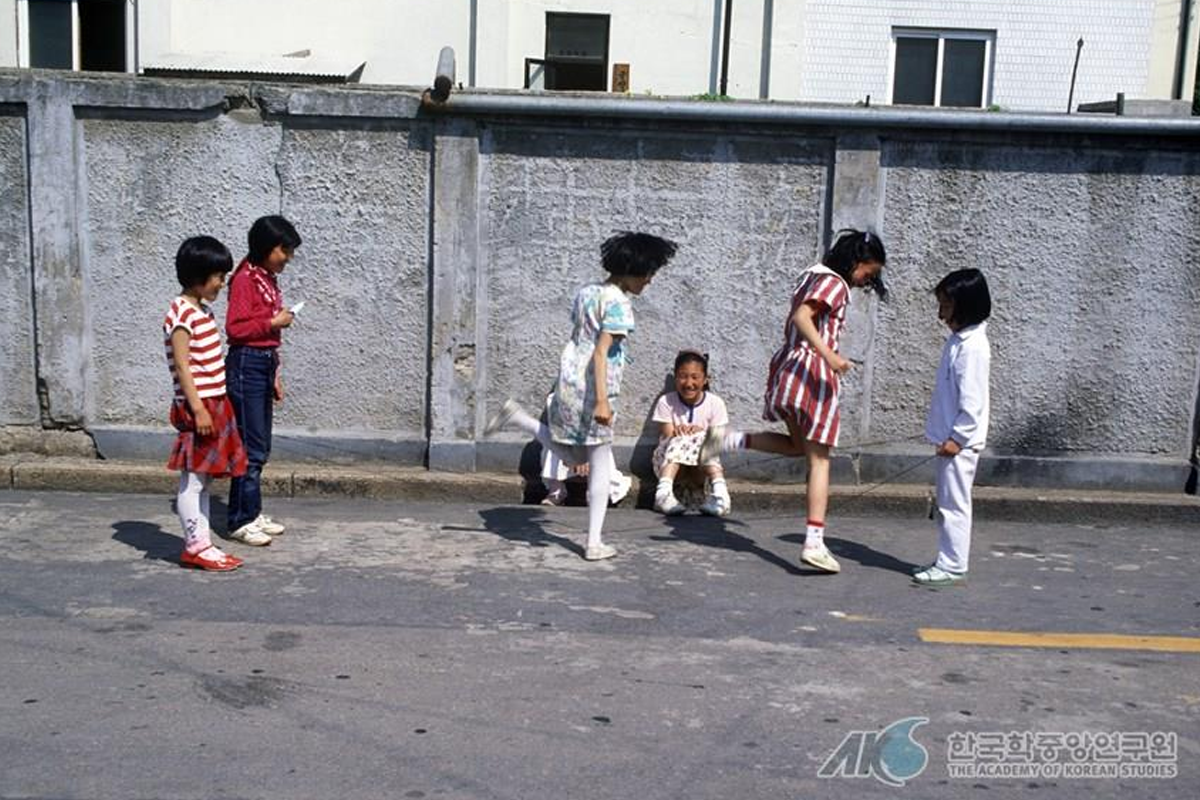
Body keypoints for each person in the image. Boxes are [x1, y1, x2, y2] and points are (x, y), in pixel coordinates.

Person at [701, 229, 887, 574]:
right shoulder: (834, 283)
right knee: (820, 460)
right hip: (812, 373)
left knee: (798, 447)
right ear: (857, 262)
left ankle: (727, 439)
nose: (866, 281)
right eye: (869, 272)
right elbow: (802, 318)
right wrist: (831, 356)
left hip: (790, 367)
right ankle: (814, 542)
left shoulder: (812, 274)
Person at [485, 231, 678, 560]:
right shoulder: (620, 304)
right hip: (594, 390)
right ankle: (593, 542)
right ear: (633, 269)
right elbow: (601, 353)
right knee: (599, 463)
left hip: (570, 382)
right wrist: (603, 400)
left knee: (575, 459)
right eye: (649, 272)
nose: (650, 281)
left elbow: (581, 339)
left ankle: (518, 418)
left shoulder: (587, 293)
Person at [163, 236, 248, 571]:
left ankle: (203, 544)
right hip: (200, 406)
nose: (222, 283)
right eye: (218, 277)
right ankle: (196, 546)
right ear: (198, 276)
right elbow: (183, 365)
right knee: (194, 480)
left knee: (205, 479)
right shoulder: (181, 313)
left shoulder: (202, 311)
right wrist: (197, 408)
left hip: (215, 402)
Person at [224, 215, 301, 547]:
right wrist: (274, 321)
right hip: (247, 365)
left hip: (262, 365)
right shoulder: (244, 279)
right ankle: (239, 520)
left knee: (260, 447)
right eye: (284, 250)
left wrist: (275, 375)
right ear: (268, 247)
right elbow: (236, 329)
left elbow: (267, 338)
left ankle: (252, 513)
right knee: (249, 448)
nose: (288, 257)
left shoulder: (265, 278)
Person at [913, 269, 992, 587]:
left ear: (965, 306)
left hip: (959, 443)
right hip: (950, 439)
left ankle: (953, 563)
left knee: (953, 505)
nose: (941, 313)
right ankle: (948, 558)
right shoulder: (959, 341)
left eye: (946, 306)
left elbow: (972, 404)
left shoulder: (973, 348)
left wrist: (956, 439)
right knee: (947, 502)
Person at [652, 350, 731, 516]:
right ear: (675, 378)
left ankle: (720, 493)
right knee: (682, 437)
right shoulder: (666, 401)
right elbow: (667, 433)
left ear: (705, 379)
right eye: (683, 376)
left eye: (695, 377)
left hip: (699, 471)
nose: (689, 383)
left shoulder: (715, 403)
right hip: (670, 467)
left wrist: (699, 433)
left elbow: (716, 442)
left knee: (704, 438)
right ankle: (664, 491)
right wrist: (679, 432)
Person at [537, 393, 632, 506]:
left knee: (599, 447)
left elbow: (600, 430)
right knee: (552, 442)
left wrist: (583, 453)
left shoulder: (601, 400)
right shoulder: (556, 399)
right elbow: (559, 427)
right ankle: (556, 490)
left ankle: (594, 491)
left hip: (592, 441)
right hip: (566, 442)